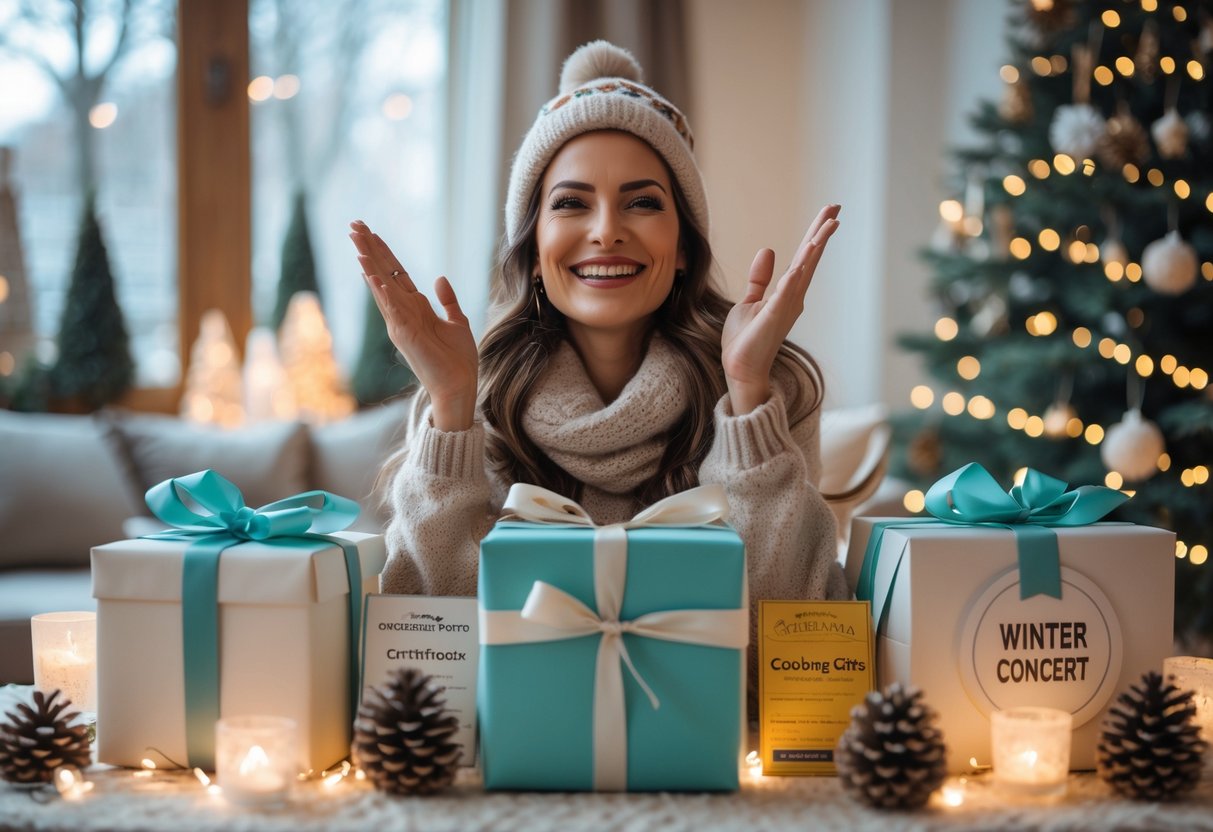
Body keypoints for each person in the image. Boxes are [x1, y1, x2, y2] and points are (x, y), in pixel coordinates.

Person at [350, 40, 848, 618]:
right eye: (570, 204)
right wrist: (452, 404)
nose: (607, 231)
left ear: (683, 248)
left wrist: (746, 393)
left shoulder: (773, 387)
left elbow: (784, 630)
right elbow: (429, 634)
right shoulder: (469, 397)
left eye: (642, 203)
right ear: (534, 252)